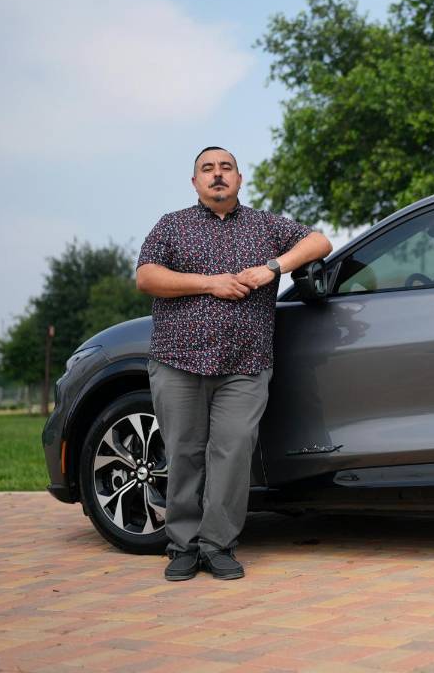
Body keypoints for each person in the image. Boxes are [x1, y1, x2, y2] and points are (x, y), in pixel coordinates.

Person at [136, 146, 332, 581]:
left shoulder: (265, 225)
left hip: (245, 364)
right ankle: (182, 546)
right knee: (185, 453)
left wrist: (271, 268)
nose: (217, 175)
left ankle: (218, 545)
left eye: (226, 168)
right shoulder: (172, 226)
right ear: (195, 183)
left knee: (233, 454)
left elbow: (319, 241)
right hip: (178, 361)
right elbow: (146, 276)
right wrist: (211, 284)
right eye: (208, 169)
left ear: (239, 179)